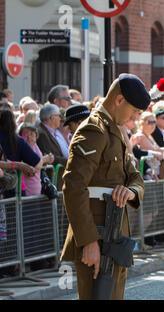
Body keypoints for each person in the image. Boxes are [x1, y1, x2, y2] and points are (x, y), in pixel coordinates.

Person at [60, 73, 147, 300]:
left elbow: (136, 178)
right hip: (96, 237)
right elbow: (73, 187)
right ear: (119, 100)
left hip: (115, 235)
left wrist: (130, 192)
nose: (135, 119)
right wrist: (88, 241)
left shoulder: (113, 132)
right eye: (134, 112)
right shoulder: (94, 130)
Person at [36, 104, 69, 190]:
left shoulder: (51, 132)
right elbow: (50, 156)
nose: (60, 118)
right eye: (58, 116)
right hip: (50, 181)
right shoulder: (41, 133)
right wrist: (68, 161)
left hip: (56, 180)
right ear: (52, 118)